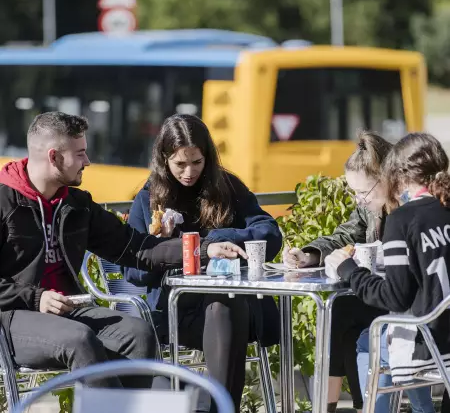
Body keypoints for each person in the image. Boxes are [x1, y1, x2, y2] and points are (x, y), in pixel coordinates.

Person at [0, 111, 245, 388]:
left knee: (138, 333)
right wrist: (35, 298)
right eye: (80, 154)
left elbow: (137, 247)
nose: (87, 161)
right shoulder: (4, 201)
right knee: (79, 340)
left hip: (67, 313)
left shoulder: (77, 205)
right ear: (54, 157)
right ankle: (120, 405)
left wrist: (203, 249)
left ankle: (144, 405)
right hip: (11, 317)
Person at [123, 114, 282, 412]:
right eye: (180, 164)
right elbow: (132, 271)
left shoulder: (227, 187)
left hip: (234, 309)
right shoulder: (149, 199)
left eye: (197, 162)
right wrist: (163, 247)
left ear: (207, 157)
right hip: (176, 312)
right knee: (226, 305)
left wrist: (218, 239)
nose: (189, 172)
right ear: (164, 159)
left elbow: (270, 233)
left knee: (225, 301)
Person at [326, 132, 448, 413]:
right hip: (442, 331)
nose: (359, 199)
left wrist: (350, 271)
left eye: (362, 192)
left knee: (367, 340)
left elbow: (396, 298)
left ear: (395, 174)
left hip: (431, 341)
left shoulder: (402, 219)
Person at [283, 131, 390, 412]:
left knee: (346, 312)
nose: (359, 200)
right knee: (341, 310)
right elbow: (344, 235)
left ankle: (345, 407)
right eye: (354, 193)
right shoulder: (371, 208)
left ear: (386, 178)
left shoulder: (407, 210)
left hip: (405, 300)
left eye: (363, 192)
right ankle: (333, 406)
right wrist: (308, 255)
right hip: (381, 292)